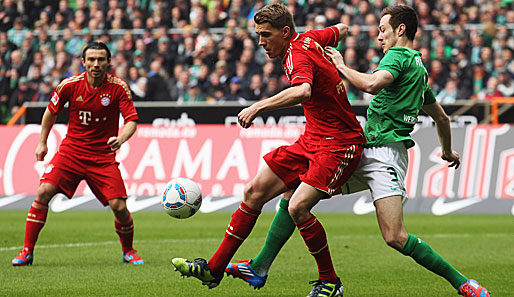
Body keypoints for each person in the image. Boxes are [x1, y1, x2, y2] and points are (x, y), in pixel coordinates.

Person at [224, 5, 490, 297]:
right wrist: (448, 151)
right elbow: (441, 117)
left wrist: (340, 64)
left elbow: (373, 84)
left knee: (395, 237)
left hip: (385, 156)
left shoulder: (398, 57)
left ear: (401, 30)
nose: (379, 37)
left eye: (383, 30)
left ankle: (463, 282)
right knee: (295, 196)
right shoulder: (419, 71)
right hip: (361, 147)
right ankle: (260, 265)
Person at [171, 3, 365, 296]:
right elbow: (343, 29)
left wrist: (258, 106)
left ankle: (330, 281)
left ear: (285, 32)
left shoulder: (297, 53)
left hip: (339, 144)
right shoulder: (309, 38)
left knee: (297, 206)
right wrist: (331, 42)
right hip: (311, 139)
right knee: (254, 192)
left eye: (266, 35)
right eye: (259, 34)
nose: (261, 42)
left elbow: (303, 90)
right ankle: (215, 267)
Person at [12, 42, 144, 266]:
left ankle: (129, 250)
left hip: (102, 157)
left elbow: (131, 120)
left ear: (108, 62)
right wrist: (42, 142)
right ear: (83, 62)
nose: (96, 64)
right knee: (44, 191)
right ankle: (26, 251)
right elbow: (50, 113)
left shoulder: (118, 87)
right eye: (91, 59)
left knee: (119, 207)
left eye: (101, 59)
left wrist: (121, 139)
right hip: (71, 152)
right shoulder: (69, 85)